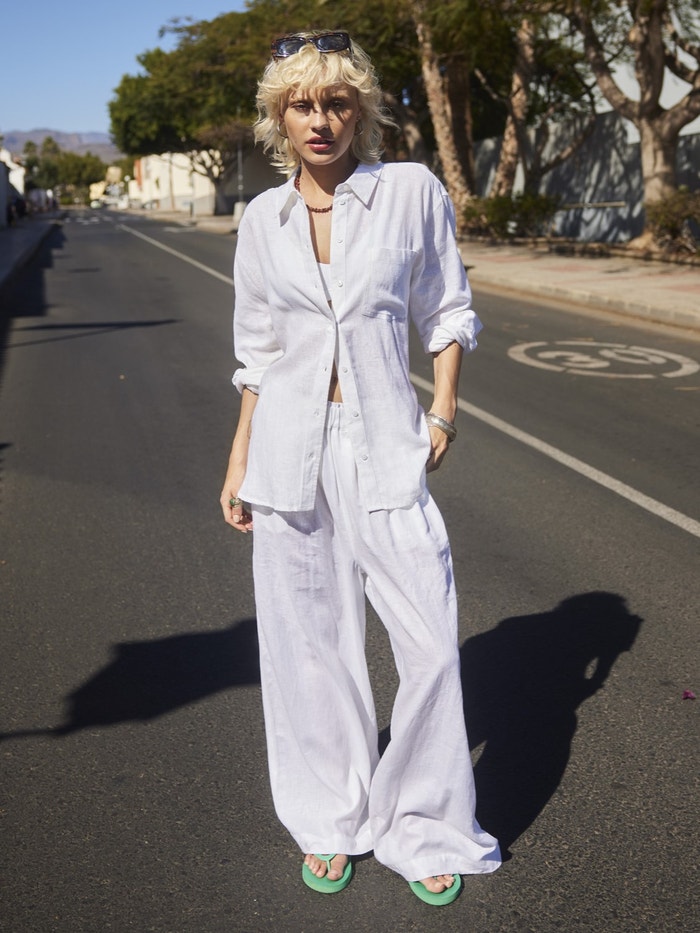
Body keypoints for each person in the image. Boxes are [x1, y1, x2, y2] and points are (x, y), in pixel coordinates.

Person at [220, 30, 501, 906]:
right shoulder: (260, 223)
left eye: (337, 102)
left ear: (362, 112)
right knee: (310, 645)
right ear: (278, 118)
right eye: (301, 104)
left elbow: (448, 307)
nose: (320, 119)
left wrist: (442, 410)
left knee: (430, 642)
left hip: (383, 442)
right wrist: (238, 460)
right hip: (287, 452)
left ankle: (423, 825)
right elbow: (258, 355)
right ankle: (330, 816)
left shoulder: (408, 192)